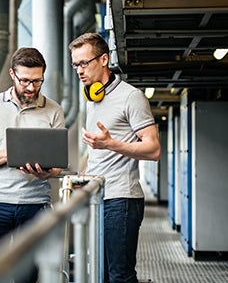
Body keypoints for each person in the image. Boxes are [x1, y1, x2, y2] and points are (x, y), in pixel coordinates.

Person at [68, 32, 161, 283]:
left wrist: (111, 143)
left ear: (104, 59)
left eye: (84, 63)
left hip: (121, 199)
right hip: (99, 197)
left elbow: (153, 149)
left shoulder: (131, 97)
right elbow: (99, 150)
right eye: (75, 64)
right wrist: (85, 176)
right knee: (100, 273)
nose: (79, 70)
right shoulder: (92, 98)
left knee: (120, 275)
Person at [0, 47, 65, 283]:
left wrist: (46, 171)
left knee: (29, 277)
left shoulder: (54, 110)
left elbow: (58, 166)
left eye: (37, 81)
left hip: (35, 205)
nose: (31, 88)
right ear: (12, 74)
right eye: (25, 81)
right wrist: (14, 154)